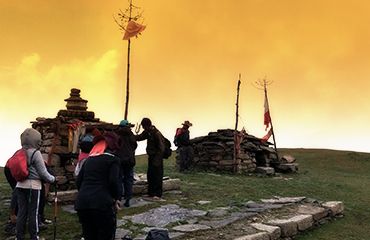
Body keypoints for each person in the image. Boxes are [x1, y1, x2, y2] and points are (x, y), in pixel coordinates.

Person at [75, 131, 123, 240]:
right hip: (102, 204)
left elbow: (78, 182)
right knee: (105, 235)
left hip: (83, 203)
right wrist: (116, 198)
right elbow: (113, 181)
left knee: (89, 235)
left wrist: (85, 193)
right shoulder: (113, 160)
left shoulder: (88, 160)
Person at [15, 128, 57, 240]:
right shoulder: (35, 153)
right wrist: (53, 179)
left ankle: (19, 236)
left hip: (19, 185)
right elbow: (43, 173)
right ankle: (34, 237)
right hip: (33, 187)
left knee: (21, 212)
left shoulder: (19, 152)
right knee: (33, 212)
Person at [136, 118, 165, 201]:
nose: (143, 129)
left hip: (157, 157)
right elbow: (140, 137)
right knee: (150, 175)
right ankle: (151, 193)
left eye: (144, 127)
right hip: (151, 157)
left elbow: (161, 148)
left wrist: (157, 159)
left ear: (147, 125)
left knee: (158, 176)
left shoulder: (156, 133)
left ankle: (158, 194)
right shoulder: (148, 132)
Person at [116, 120, 137, 207]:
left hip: (120, 160)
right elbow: (135, 145)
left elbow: (116, 146)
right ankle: (128, 199)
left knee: (119, 179)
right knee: (128, 179)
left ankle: (119, 198)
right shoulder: (131, 135)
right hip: (130, 160)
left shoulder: (118, 134)